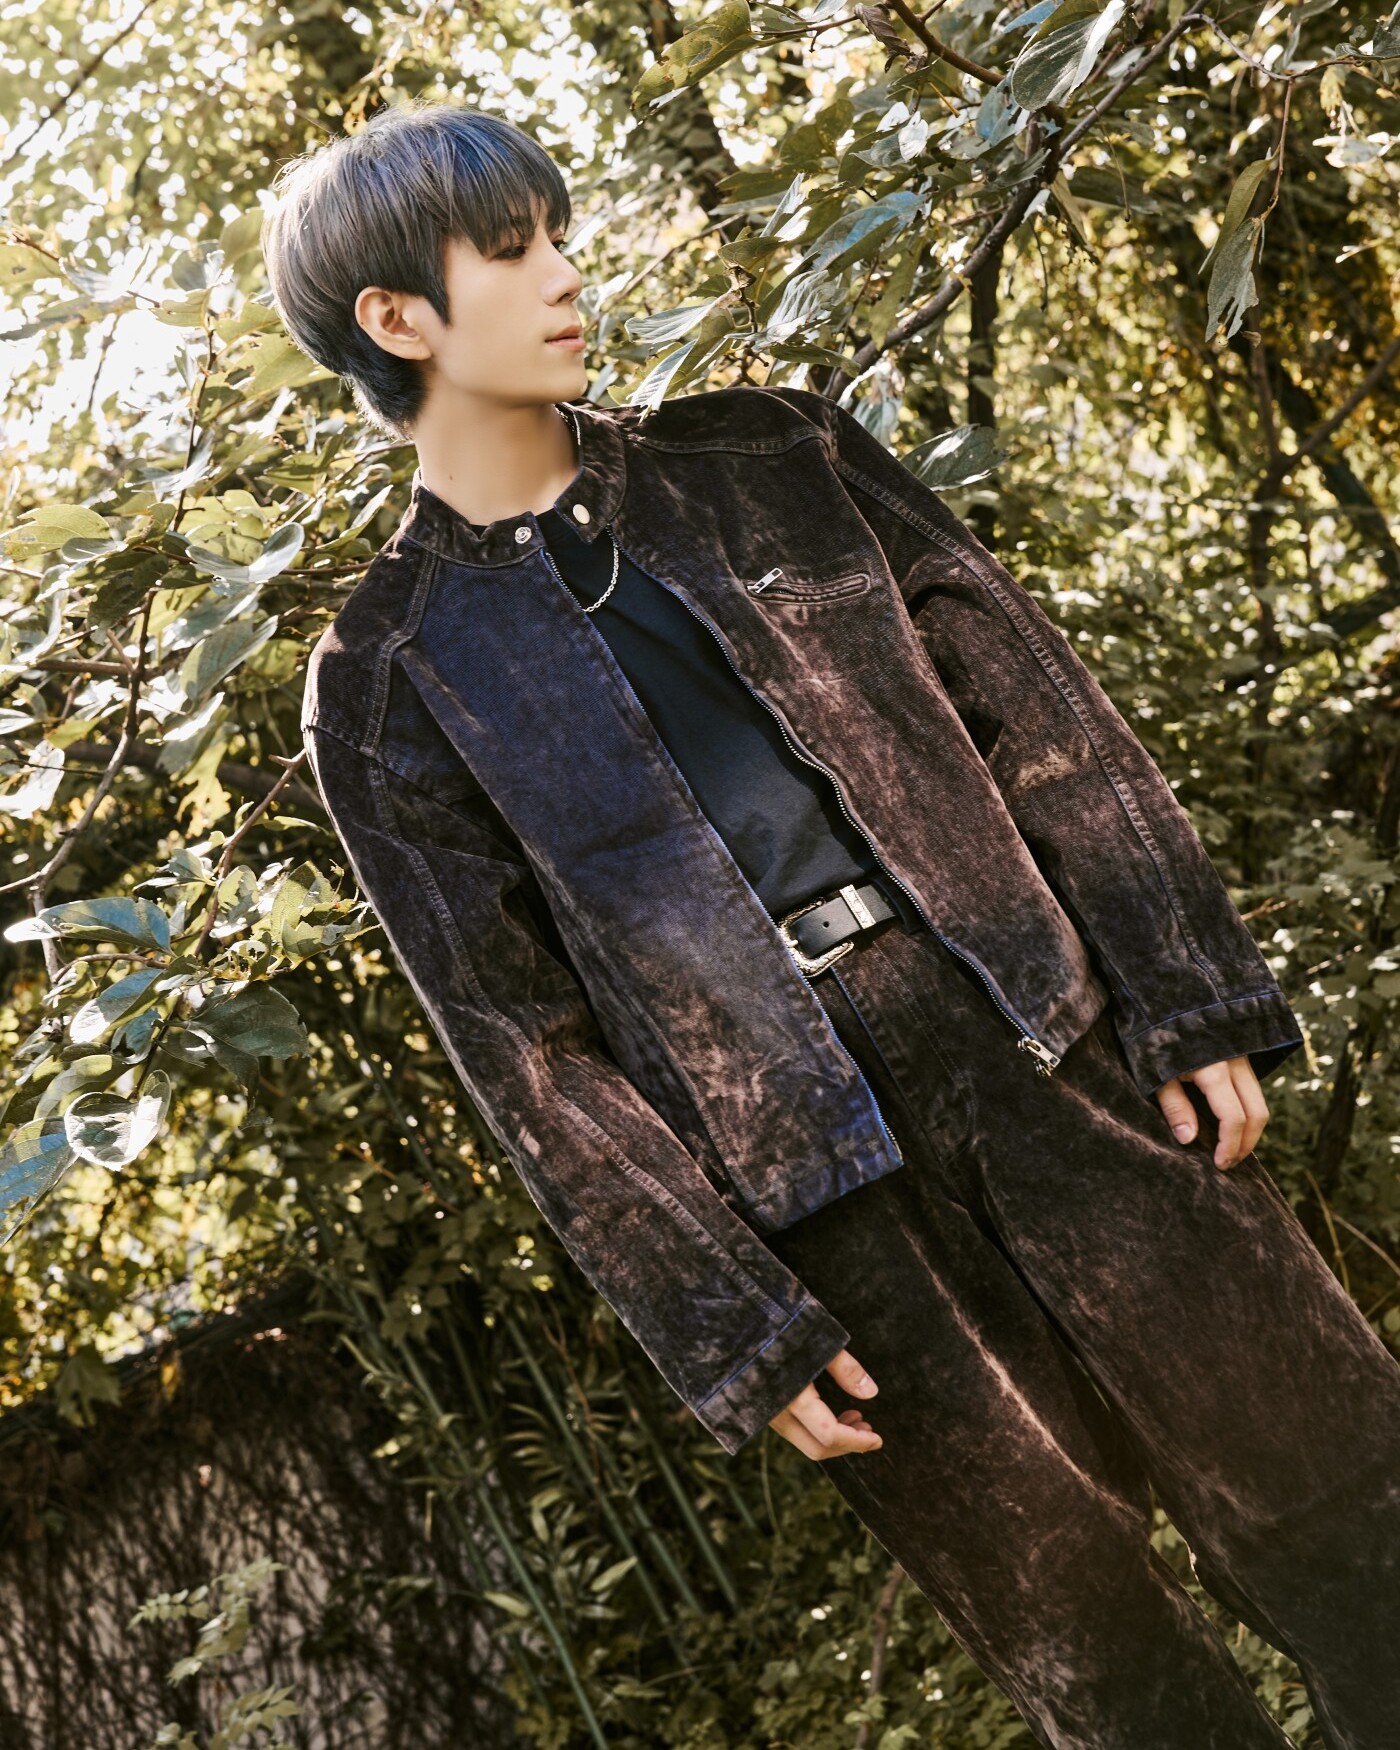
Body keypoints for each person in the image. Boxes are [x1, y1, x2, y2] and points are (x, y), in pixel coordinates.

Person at [264, 99, 1400, 1747]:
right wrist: (730, 1321)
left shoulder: (776, 460)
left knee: (1350, 1495)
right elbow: (526, 1052)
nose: (568, 273)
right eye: (513, 251)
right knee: (1105, 1661)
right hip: (817, 1198)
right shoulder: (387, 677)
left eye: (559, 233)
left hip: (1049, 1038)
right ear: (398, 318)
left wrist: (1186, 991)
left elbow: (1042, 712)